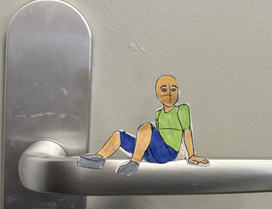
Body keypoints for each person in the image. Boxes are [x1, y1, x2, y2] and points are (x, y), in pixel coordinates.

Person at [77, 75, 209, 175]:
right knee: (119, 136)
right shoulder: (159, 114)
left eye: (173, 89)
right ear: (158, 94)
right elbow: (151, 138)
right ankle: (99, 158)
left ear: (177, 92)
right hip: (152, 152)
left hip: (168, 153)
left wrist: (191, 155)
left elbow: (187, 132)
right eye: (164, 89)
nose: (169, 93)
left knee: (146, 127)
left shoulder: (182, 109)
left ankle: (134, 162)